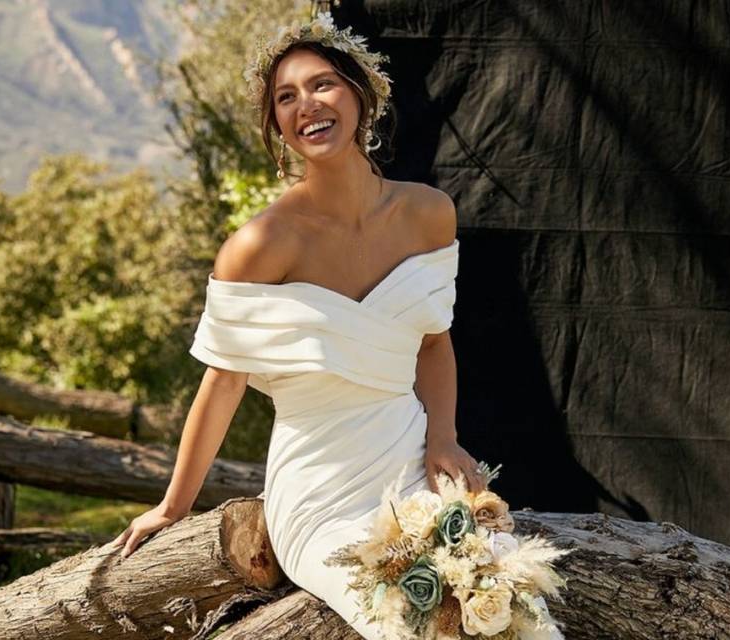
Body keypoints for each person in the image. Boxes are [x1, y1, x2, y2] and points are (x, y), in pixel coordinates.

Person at [112, 12, 486, 638]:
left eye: (322, 85)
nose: (305, 105)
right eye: (285, 97)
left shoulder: (429, 215)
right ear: (277, 125)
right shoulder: (259, 245)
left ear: (361, 95)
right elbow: (222, 384)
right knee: (404, 623)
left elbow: (434, 343)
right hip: (319, 490)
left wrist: (443, 439)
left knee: (496, 599)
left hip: (411, 458)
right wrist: (173, 506)